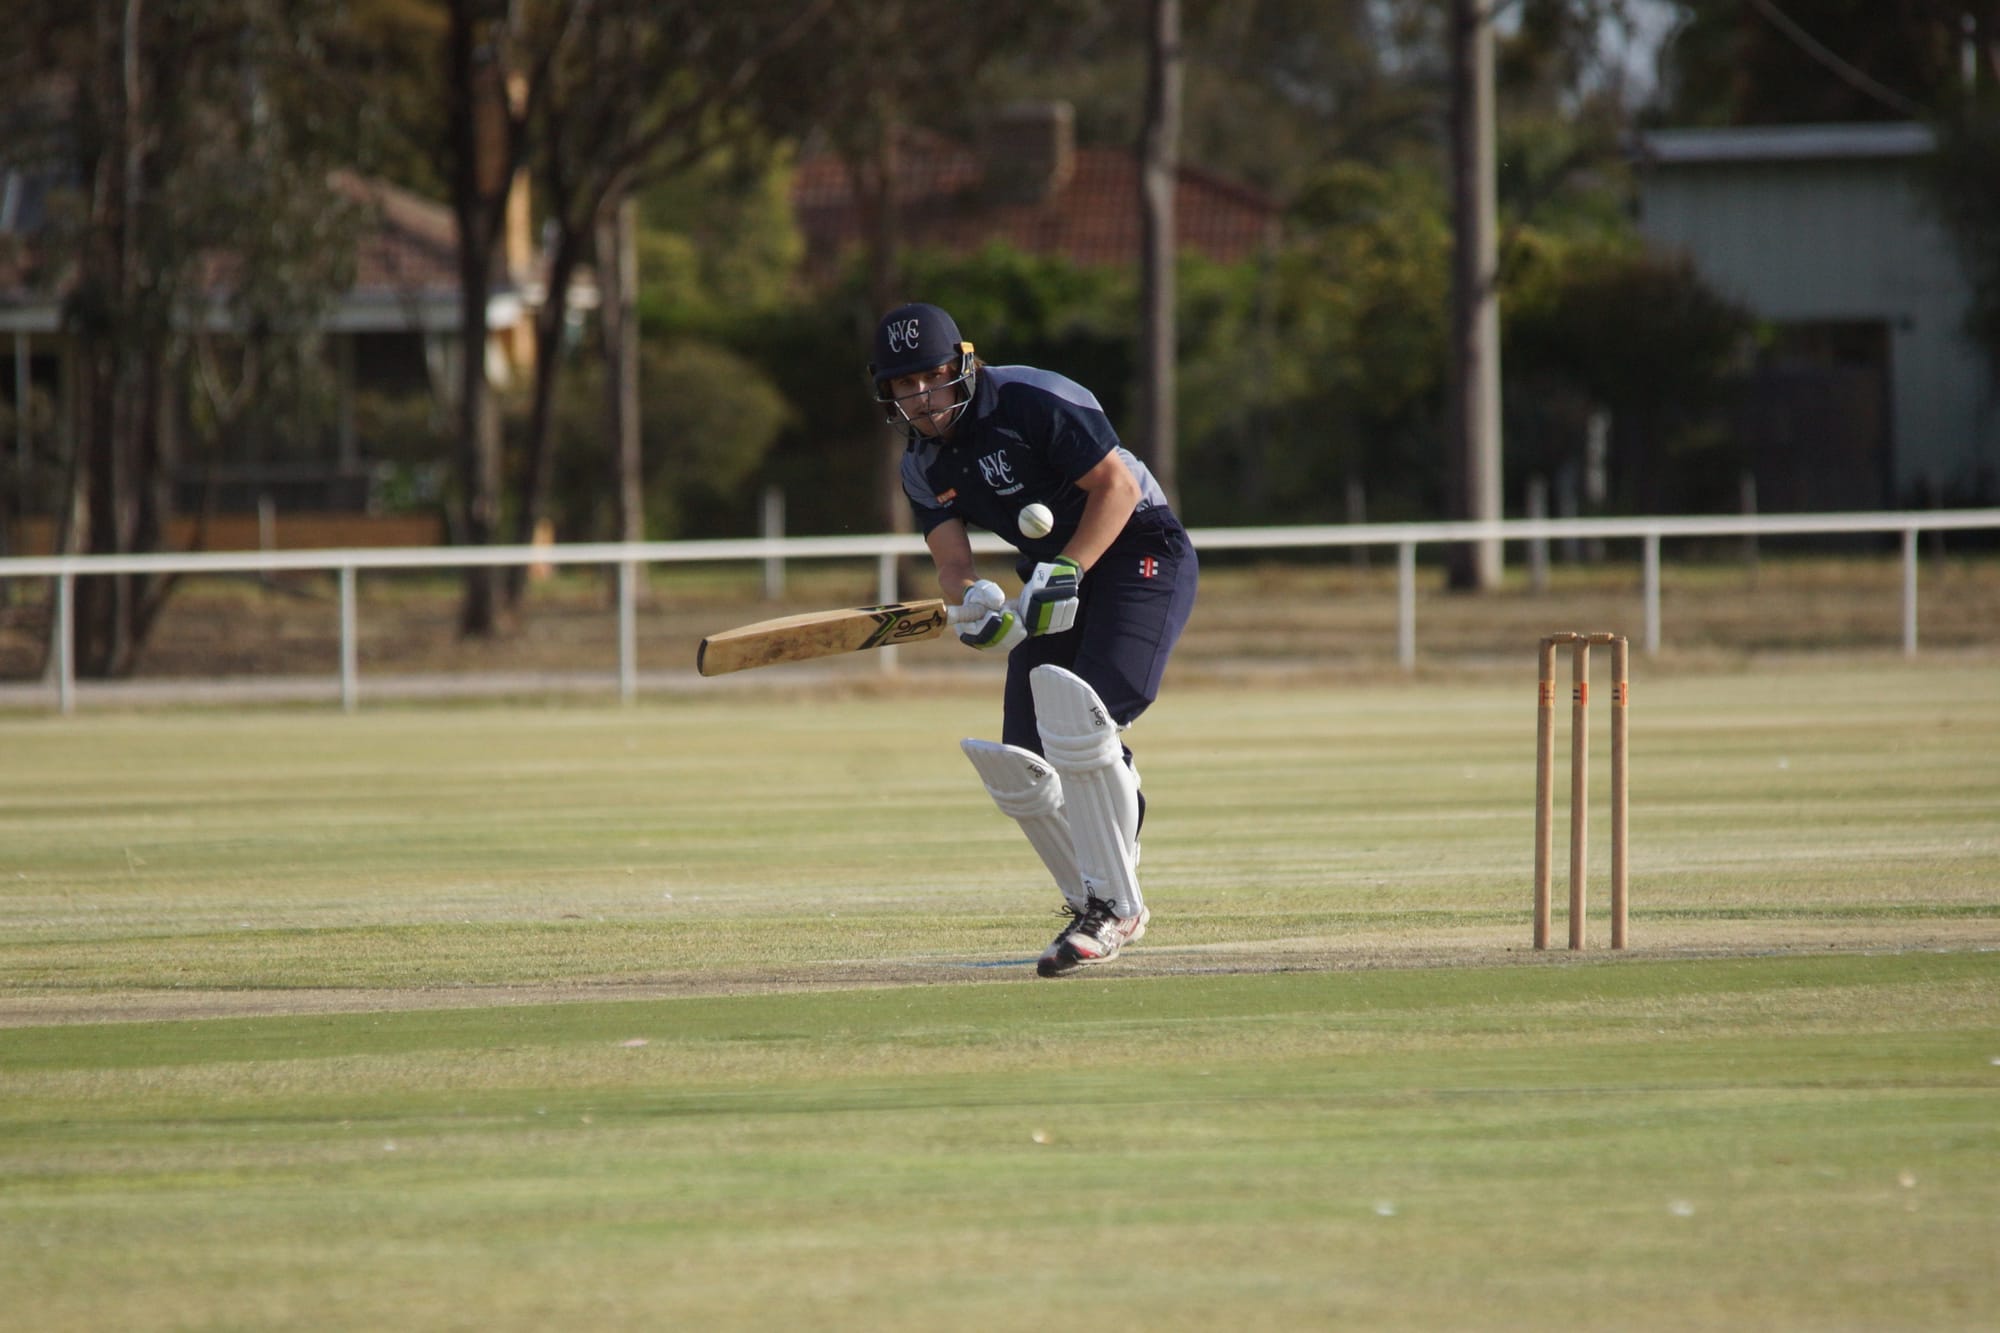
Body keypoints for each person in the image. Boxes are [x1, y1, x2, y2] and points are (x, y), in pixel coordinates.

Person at [868, 301, 1199, 977]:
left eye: (931, 376)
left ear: (962, 363)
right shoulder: (921, 464)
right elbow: (954, 565)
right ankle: (1091, 896)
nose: (922, 399)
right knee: (1024, 763)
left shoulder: (1033, 398)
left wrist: (1070, 566)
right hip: (1051, 576)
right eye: (905, 386)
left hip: (1140, 548)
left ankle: (1115, 909)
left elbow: (1117, 485)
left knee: (1082, 717)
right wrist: (977, 603)